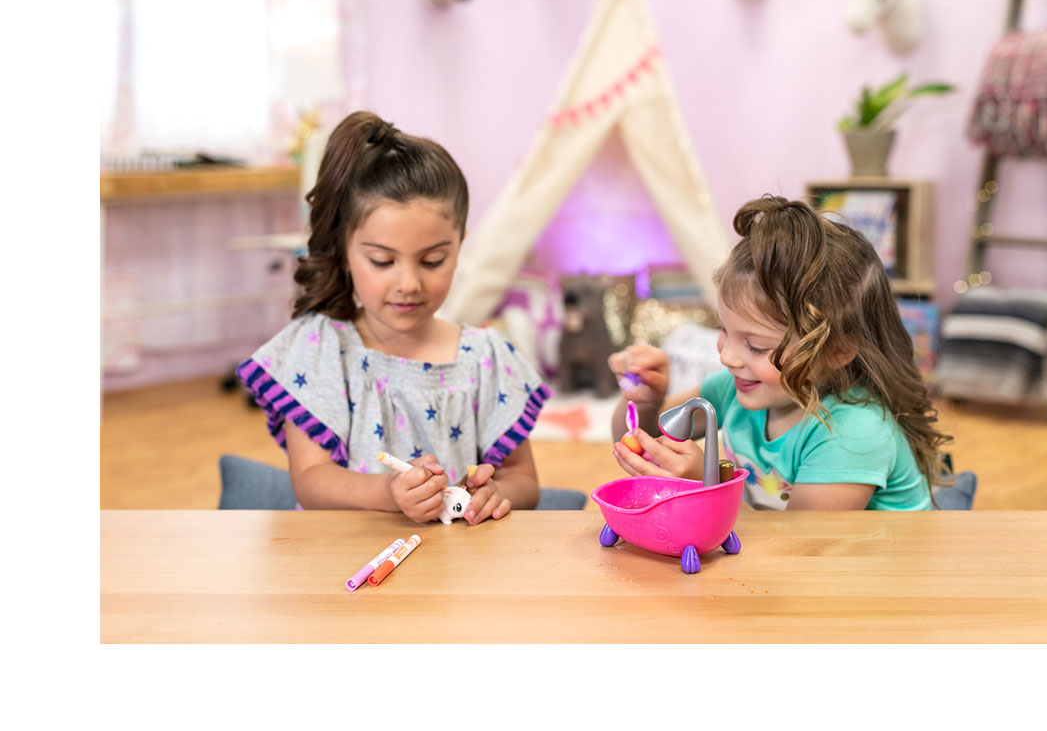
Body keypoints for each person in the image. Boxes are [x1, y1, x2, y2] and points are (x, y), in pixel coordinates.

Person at [237, 111, 548, 522]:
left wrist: (498, 494)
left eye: (433, 260)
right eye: (382, 261)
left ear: (459, 247)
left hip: (456, 572)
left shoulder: (486, 358)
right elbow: (311, 479)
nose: (409, 283)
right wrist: (386, 492)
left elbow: (523, 479)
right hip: (343, 566)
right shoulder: (321, 349)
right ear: (345, 251)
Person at [608, 195, 951, 510]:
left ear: (838, 350)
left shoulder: (853, 433)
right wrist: (643, 400)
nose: (728, 358)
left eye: (756, 346)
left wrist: (706, 482)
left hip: (876, 572)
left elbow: (799, 552)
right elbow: (642, 439)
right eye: (723, 331)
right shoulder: (733, 391)